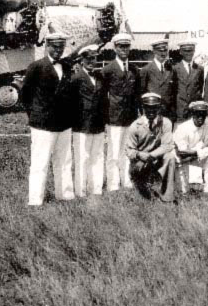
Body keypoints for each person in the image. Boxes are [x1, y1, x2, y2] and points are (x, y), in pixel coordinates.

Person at [21, 32, 75, 206]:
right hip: (43, 125)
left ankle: (65, 196)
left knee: (65, 161)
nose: (58, 50)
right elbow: (26, 96)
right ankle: (35, 201)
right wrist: (36, 116)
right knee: (40, 163)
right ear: (47, 46)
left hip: (64, 123)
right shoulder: (36, 67)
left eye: (61, 46)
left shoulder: (67, 66)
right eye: (55, 46)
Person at [101, 33, 139, 191]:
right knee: (114, 151)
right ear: (114, 48)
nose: (124, 50)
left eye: (126, 46)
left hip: (129, 117)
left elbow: (137, 95)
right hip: (114, 117)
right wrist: (105, 118)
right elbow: (102, 96)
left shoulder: (134, 70)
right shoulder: (108, 70)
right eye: (120, 46)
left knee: (127, 150)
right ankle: (113, 183)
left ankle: (126, 179)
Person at [125, 93, 178, 203]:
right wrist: (139, 155)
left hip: (155, 159)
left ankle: (167, 197)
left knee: (170, 157)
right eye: (148, 108)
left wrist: (150, 156)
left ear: (159, 108)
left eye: (154, 108)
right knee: (144, 198)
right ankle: (142, 184)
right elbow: (129, 150)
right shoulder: (135, 126)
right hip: (140, 162)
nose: (151, 111)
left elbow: (167, 145)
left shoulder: (166, 123)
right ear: (143, 108)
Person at [69, 44, 105, 198]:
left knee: (97, 157)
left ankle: (96, 189)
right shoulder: (76, 78)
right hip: (82, 125)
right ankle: (81, 191)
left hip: (98, 125)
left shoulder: (99, 77)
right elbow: (71, 103)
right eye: (88, 59)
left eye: (94, 58)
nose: (92, 61)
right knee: (82, 158)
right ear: (82, 60)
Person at [174, 100, 208, 196]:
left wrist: (196, 152)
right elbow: (183, 153)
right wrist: (203, 146)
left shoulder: (207, 125)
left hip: (197, 157)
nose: (200, 118)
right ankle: (186, 190)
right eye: (197, 115)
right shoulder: (183, 128)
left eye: (203, 115)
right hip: (183, 161)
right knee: (184, 193)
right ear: (192, 114)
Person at [139, 39, 175, 121]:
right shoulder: (146, 69)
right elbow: (141, 91)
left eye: (165, 50)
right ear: (154, 51)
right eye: (160, 51)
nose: (163, 53)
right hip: (152, 111)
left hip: (168, 112)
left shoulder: (171, 69)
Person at [173, 40, 205, 121]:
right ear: (180, 52)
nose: (188, 53)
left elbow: (200, 88)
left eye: (190, 50)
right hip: (180, 109)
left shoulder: (199, 69)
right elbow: (173, 89)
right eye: (185, 51)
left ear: (194, 51)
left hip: (194, 108)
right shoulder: (175, 68)